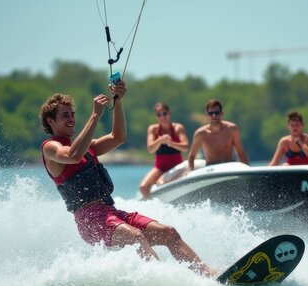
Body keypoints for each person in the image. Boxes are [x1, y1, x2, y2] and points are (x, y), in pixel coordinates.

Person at [39, 82, 215, 276]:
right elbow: (72, 155)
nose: (71, 118)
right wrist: (95, 115)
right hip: (90, 220)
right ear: (50, 121)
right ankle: (163, 281)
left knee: (168, 232)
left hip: (110, 212)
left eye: (72, 114)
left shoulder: (89, 147)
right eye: (65, 115)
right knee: (136, 236)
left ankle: (209, 276)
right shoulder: (50, 148)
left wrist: (118, 101)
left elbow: (118, 137)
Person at [139, 102, 189, 198]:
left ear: (169, 113)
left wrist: (171, 143)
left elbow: (186, 147)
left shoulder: (178, 128)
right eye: (159, 115)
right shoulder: (153, 129)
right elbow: (150, 149)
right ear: (156, 116)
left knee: (161, 183)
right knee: (143, 187)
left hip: (176, 166)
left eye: (164, 113)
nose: (162, 117)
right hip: (160, 168)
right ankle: (150, 207)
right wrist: (160, 140)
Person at [187, 99, 249, 171]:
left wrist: (248, 170)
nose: (214, 115)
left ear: (221, 113)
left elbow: (241, 153)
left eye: (216, 113)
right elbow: (192, 156)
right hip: (211, 168)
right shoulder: (200, 134)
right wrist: (190, 171)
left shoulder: (232, 129)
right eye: (211, 113)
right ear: (207, 115)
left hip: (229, 166)